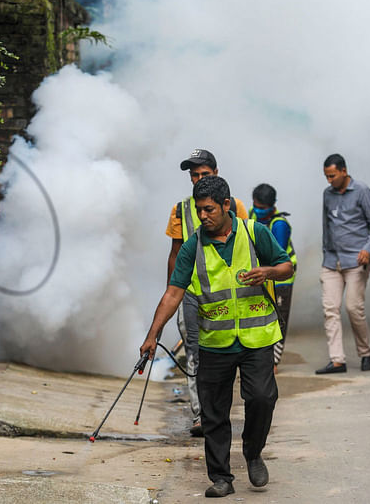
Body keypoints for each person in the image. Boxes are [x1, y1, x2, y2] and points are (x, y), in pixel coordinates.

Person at [143, 175, 293, 498]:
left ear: (227, 205)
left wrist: (267, 272)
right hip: (215, 342)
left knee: (262, 399)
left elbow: (286, 267)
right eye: (199, 210)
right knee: (213, 413)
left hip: (256, 338)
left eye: (209, 209)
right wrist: (153, 334)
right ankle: (221, 476)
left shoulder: (255, 232)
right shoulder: (192, 246)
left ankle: (253, 452)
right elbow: (173, 293)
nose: (203, 216)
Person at [165, 149, 248, 437]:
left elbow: (247, 245)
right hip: (191, 292)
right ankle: (201, 415)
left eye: (204, 174)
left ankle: (218, 410)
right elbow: (175, 253)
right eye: (194, 175)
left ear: (216, 172)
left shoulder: (234, 206)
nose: (198, 179)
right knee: (194, 354)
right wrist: (171, 296)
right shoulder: (180, 209)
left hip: (227, 296)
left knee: (226, 355)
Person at [316, 153, 370, 375]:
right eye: (326, 176)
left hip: (356, 260)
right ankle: (337, 360)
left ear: (344, 171)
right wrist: (325, 252)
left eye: (332, 175)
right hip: (331, 261)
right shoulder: (327, 194)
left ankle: (365, 353)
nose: (329, 180)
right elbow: (326, 225)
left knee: (353, 308)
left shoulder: (362, 191)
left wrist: (367, 249)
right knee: (330, 309)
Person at [249, 183, 297, 373]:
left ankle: (274, 362)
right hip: (262, 276)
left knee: (279, 318)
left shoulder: (280, 225)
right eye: (256, 206)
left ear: (273, 205)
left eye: (263, 208)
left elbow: (274, 254)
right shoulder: (252, 214)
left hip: (281, 279)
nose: (259, 211)